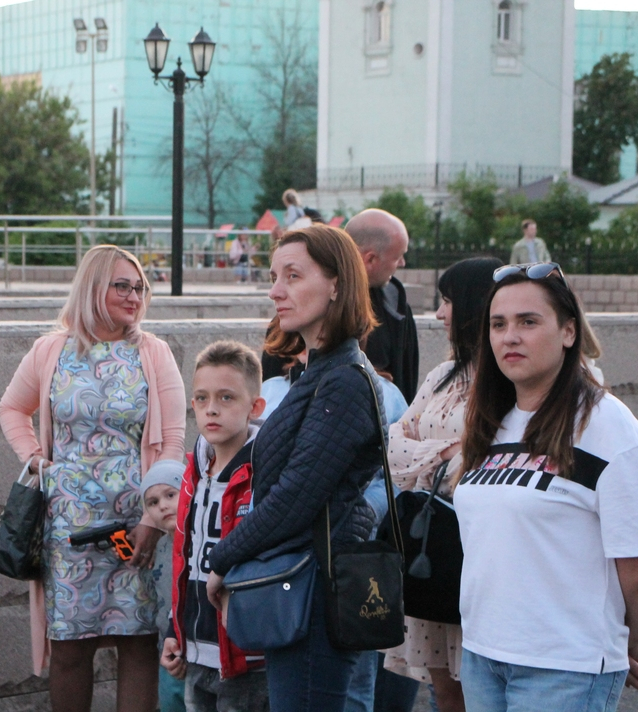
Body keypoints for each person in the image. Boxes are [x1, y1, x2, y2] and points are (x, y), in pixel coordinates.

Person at [454, 262, 638, 711]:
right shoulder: (492, 421)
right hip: (482, 654)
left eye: (528, 322)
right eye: (498, 324)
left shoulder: (610, 430)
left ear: (569, 332)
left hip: (565, 665)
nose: (509, 337)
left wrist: (628, 638)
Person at [0, 244, 187, 712]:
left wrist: (153, 519)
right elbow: (12, 408)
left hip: (136, 528)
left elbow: (173, 443)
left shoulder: (153, 353)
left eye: (140, 287)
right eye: (122, 286)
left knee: (138, 643)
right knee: (69, 647)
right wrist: (35, 459)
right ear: (92, 287)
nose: (134, 296)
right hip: (68, 527)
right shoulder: (50, 350)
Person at [205, 224, 382, 711]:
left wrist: (222, 559)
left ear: (337, 285)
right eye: (274, 277)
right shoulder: (320, 372)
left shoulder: (343, 380)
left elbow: (294, 498)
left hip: (316, 591)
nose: (275, 291)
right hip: (302, 583)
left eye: (293, 276)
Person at [382, 257, 503, 712]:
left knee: (480, 688)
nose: (439, 314)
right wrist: (447, 452)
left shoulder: (508, 381)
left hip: (478, 552)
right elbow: (392, 446)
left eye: (448, 301)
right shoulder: (441, 375)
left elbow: (488, 464)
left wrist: (433, 456)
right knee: (443, 691)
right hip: (430, 548)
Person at [162, 340, 270, 712]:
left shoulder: (264, 472)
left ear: (255, 407)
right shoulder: (192, 472)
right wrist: (174, 630)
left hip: (247, 656)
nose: (211, 408)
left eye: (226, 398)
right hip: (195, 651)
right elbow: (184, 558)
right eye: (202, 398)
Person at [345, 209, 420, 404]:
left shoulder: (397, 305)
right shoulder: (315, 301)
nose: (402, 263)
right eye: (398, 257)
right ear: (370, 259)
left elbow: (406, 385)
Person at [141, 459, 190, 712]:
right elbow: (155, 594)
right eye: (153, 502)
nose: (163, 505)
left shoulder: (201, 542)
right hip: (167, 653)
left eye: (170, 494)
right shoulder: (159, 547)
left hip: (200, 654)